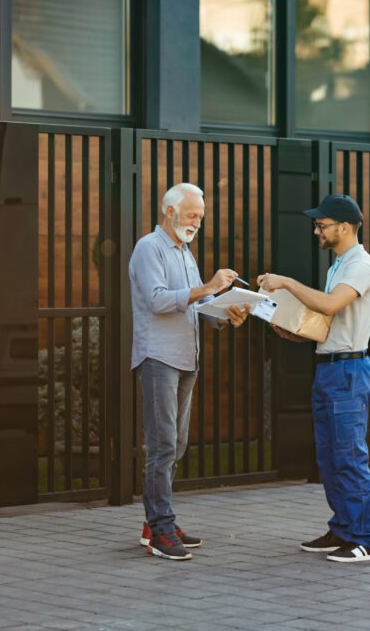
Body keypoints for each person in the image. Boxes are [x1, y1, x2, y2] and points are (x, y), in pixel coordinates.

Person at [258, 194, 370, 563]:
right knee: (329, 456)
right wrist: (291, 330)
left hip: (348, 370)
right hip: (330, 367)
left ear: (345, 228)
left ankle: (365, 539)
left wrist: (286, 282)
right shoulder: (339, 266)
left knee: (349, 455)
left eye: (322, 225)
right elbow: (328, 323)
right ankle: (342, 529)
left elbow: (329, 306)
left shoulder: (360, 265)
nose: (317, 231)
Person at [129, 182, 251, 561]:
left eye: (200, 216)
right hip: (159, 358)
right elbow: (158, 300)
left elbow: (196, 305)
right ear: (169, 211)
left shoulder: (186, 252)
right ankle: (161, 528)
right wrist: (209, 286)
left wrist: (227, 313)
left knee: (176, 445)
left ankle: (156, 523)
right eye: (191, 215)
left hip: (186, 358)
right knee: (163, 445)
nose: (197, 222)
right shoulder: (149, 248)